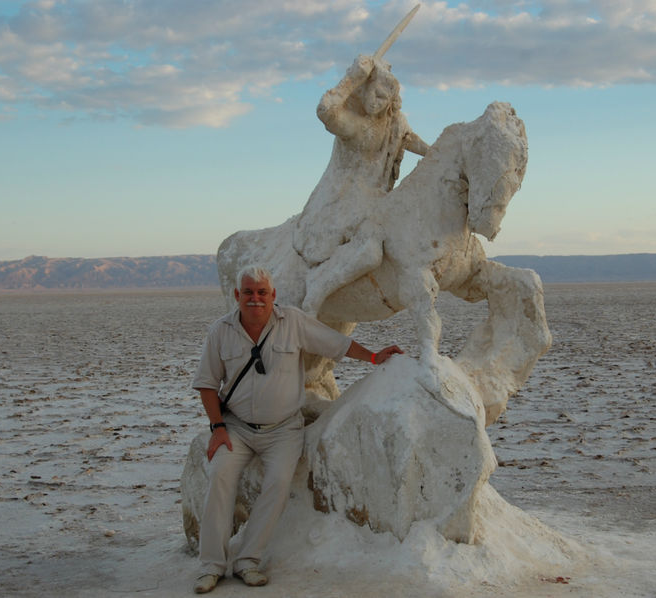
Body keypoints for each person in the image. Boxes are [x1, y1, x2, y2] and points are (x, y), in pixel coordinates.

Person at [190, 265, 403, 594]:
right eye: (248, 292)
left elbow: (337, 344)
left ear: (273, 295)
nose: (255, 298)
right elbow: (206, 384)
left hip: (283, 430)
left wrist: (374, 357)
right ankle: (211, 566)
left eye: (262, 292)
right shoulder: (220, 331)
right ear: (237, 296)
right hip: (236, 427)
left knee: (276, 484)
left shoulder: (293, 322)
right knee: (219, 476)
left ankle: (248, 561)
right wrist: (217, 427)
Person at [293, 54, 430, 315]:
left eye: (384, 99)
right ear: (365, 88)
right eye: (375, 93)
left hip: (379, 196)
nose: (377, 103)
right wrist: (351, 78)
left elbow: (410, 139)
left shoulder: (395, 122)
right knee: (368, 250)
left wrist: (438, 154)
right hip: (347, 199)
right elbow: (326, 112)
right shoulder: (355, 124)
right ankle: (319, 288)